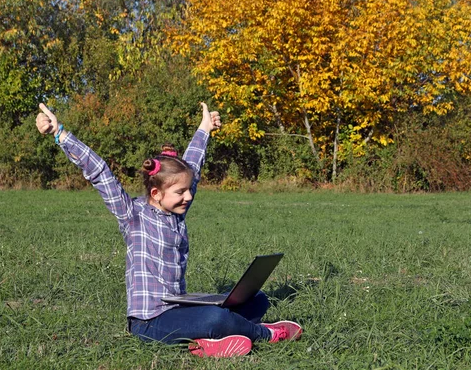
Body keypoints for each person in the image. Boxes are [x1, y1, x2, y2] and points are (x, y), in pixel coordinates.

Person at [35, 102, 302, 358]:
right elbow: (99, 172)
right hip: (149, 323)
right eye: (180, 191)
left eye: (188, 190)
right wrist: (60, 134)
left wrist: (204, 129)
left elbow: (193, 168)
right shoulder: (133, 215)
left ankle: (209, 343)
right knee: (216, 317)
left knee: (258, 299)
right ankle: (265, 334)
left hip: (180, 309)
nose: (188, 196)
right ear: (156, 193)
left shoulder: (176, 213)